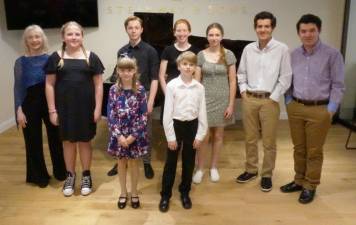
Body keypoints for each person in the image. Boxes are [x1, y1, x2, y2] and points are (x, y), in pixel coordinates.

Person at [280, 14, 345, 203]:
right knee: (299, 148)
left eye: (312, 30)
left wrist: (331, 109)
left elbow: (339, 85)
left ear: (319, 30)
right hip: (296, 107)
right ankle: (299, 180)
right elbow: (288, 80)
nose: (308, 34)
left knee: (314, 150)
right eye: (303, 31)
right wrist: (288, 101)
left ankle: (310, 185)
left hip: (320, 109)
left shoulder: (332, 54)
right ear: (299, 33)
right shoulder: (293, 55)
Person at [45, 21, 104, 197]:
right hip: (64, 109)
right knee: (68, 143)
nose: (74, 37)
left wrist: (98, 108)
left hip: (86, 108)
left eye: (77, 34)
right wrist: (52, 110)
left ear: (82, 36)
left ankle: (86, 174)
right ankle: (70, 175)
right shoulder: (55, 58)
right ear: (63, 37)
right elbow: (49, 85)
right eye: (70, 34)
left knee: (85, 142)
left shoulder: (91, 57)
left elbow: (99, 85)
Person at [236, 11, 292, 192]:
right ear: (255, 28)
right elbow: (241, 73)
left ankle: (267, 174)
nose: (263, 29)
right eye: (259, 26)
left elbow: (286, 77)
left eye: (266, 26)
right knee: (250, 138)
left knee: (269, 141)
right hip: (250, 99)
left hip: (270, 100)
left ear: (272, 28)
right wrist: (243, 91)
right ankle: (251, 169)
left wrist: (274, 96)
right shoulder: (248, 49)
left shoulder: (282, 49)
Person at [14, 25, 66, 188]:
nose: (35, 40)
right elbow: (18, 88)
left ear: (43, 39)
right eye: (31, 37)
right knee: (32, 141)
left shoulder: (52, 59)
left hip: (50, 101)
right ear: (26, 41)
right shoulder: (20, 62)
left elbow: (58, 84)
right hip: (29, 103)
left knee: (56, 138)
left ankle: (61, 172)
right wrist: (19, 110)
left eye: (37, 36)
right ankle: (39, 176)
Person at [107, 16, 159, 179]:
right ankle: (120, 159)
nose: (134, 30)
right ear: (126, 30)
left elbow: (155, 78)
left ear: (142, 30)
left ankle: (146, 161)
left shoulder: (150, 51)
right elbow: (118, 75)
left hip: (143, 96)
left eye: (137, 27)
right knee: (122, 129)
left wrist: (150, 101)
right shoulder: (122, 51)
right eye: (131, 28)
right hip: (123, 96)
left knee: (145, 131)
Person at [159, 51, 207, 212]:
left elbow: (202, 113)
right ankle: (165, 194)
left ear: (195, 68)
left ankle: (185, 192)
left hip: (192, 127)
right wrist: (170, 137)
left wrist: (200, 135)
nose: (188, 67)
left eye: (191, 64)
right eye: (185, 64)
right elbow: (167, 115)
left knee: (189, 162)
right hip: (176, 125)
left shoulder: (199, 88)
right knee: (171, 162)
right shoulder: (172, 85)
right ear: (179, 66)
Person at [192, 23, 237, 183]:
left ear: (222, 36)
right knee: (203, 136)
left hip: (223, 100)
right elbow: (196, 82)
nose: (214, 38)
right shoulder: (200, 55)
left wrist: (231, 104)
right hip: (204, 100)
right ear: (207, 37)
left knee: (218, 136)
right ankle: (200, 168)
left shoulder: (229, 54)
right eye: (211, 35)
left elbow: (232, 81)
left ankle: (214, 167)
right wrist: (196, 104)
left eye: (217, 35)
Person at [107, 57, 148, 209]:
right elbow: (110, 115)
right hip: (119, 135)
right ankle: (123, 192)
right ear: (118, 71)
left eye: (129, 70)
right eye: (122, 70)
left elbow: (144, 115)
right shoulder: (113, 90)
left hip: (134, 134)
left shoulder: (140, 90)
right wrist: (119, 135)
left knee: (133, 164)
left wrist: (132, 136)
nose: (126, 73)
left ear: (134, 71)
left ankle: (134, 192)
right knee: (121, 163)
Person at [159, 19, 199, 122]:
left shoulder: (196, 51)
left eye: (184, 30)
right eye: (179, 30)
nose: (181, 34)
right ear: (174, 32)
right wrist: (168, 95)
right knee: (170, 127)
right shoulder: (168, 50)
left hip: (188, 94)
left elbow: (197, 76)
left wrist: (190, 93)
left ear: (189, 32)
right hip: (171, 92)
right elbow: (161, 76)